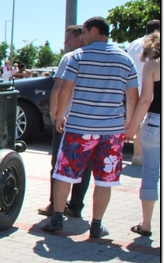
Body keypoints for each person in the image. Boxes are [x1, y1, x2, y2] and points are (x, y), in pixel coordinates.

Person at [42, 17, 138, 239]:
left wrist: (60, 115)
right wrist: (129, 124)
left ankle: (57, 218)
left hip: (79, 127)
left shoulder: (78, 57)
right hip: (112, 131)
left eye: (84, 32)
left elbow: (66, 88)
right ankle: (96, 225)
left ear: (95, 31)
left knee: (64, 173)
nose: (82, 37)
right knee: (105, 179)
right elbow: (132, 95)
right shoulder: (125, 59)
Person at [38, 25, 91, 219]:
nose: (66, 42)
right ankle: (76, 207)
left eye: (69, 38)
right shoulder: (95, 58)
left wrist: (55, 114)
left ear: (81, 37)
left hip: (67, 119)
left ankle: (55, 206)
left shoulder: (70, 58)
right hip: (89, 121)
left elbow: (59, 87)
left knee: (59, 164)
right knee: (84, 167)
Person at [125, 30, 160, 237]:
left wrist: (132, 128)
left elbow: (146, 99)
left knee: (150, 175)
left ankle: (146, 225)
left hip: (155, 124)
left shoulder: (152, 66)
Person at [126, 19, 162, 166]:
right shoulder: (156, 46)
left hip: (136, 85)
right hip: (154, 86)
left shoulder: (134, 44)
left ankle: (137, 155)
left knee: (139, 121)